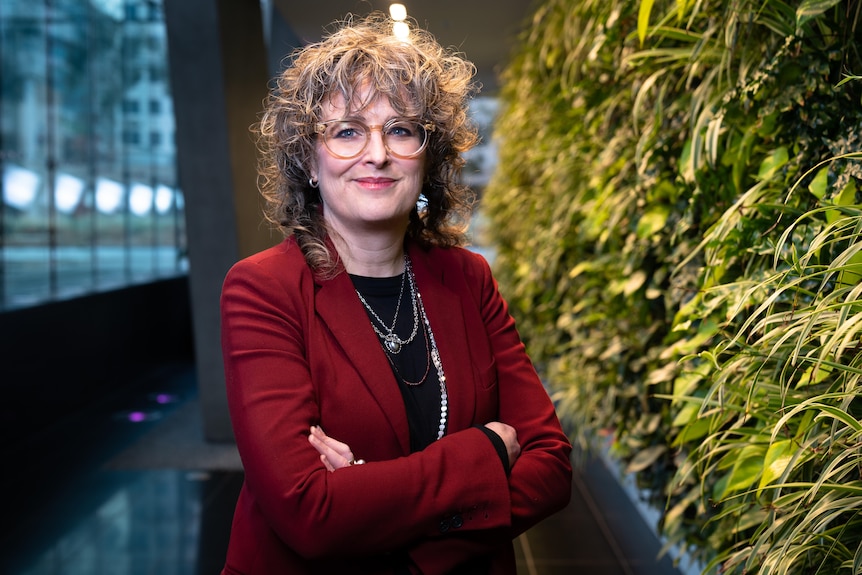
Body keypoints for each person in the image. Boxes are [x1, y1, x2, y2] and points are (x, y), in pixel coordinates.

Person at [219, 12, 572, 575]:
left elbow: (551, 466)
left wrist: (378, 519)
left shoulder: (469, 279)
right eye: (347, 131)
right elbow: (308, 511)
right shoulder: (263, 290)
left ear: (428, 157)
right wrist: (483, 455)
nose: (377, 153)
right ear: (309, 159)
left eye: (402, 129)